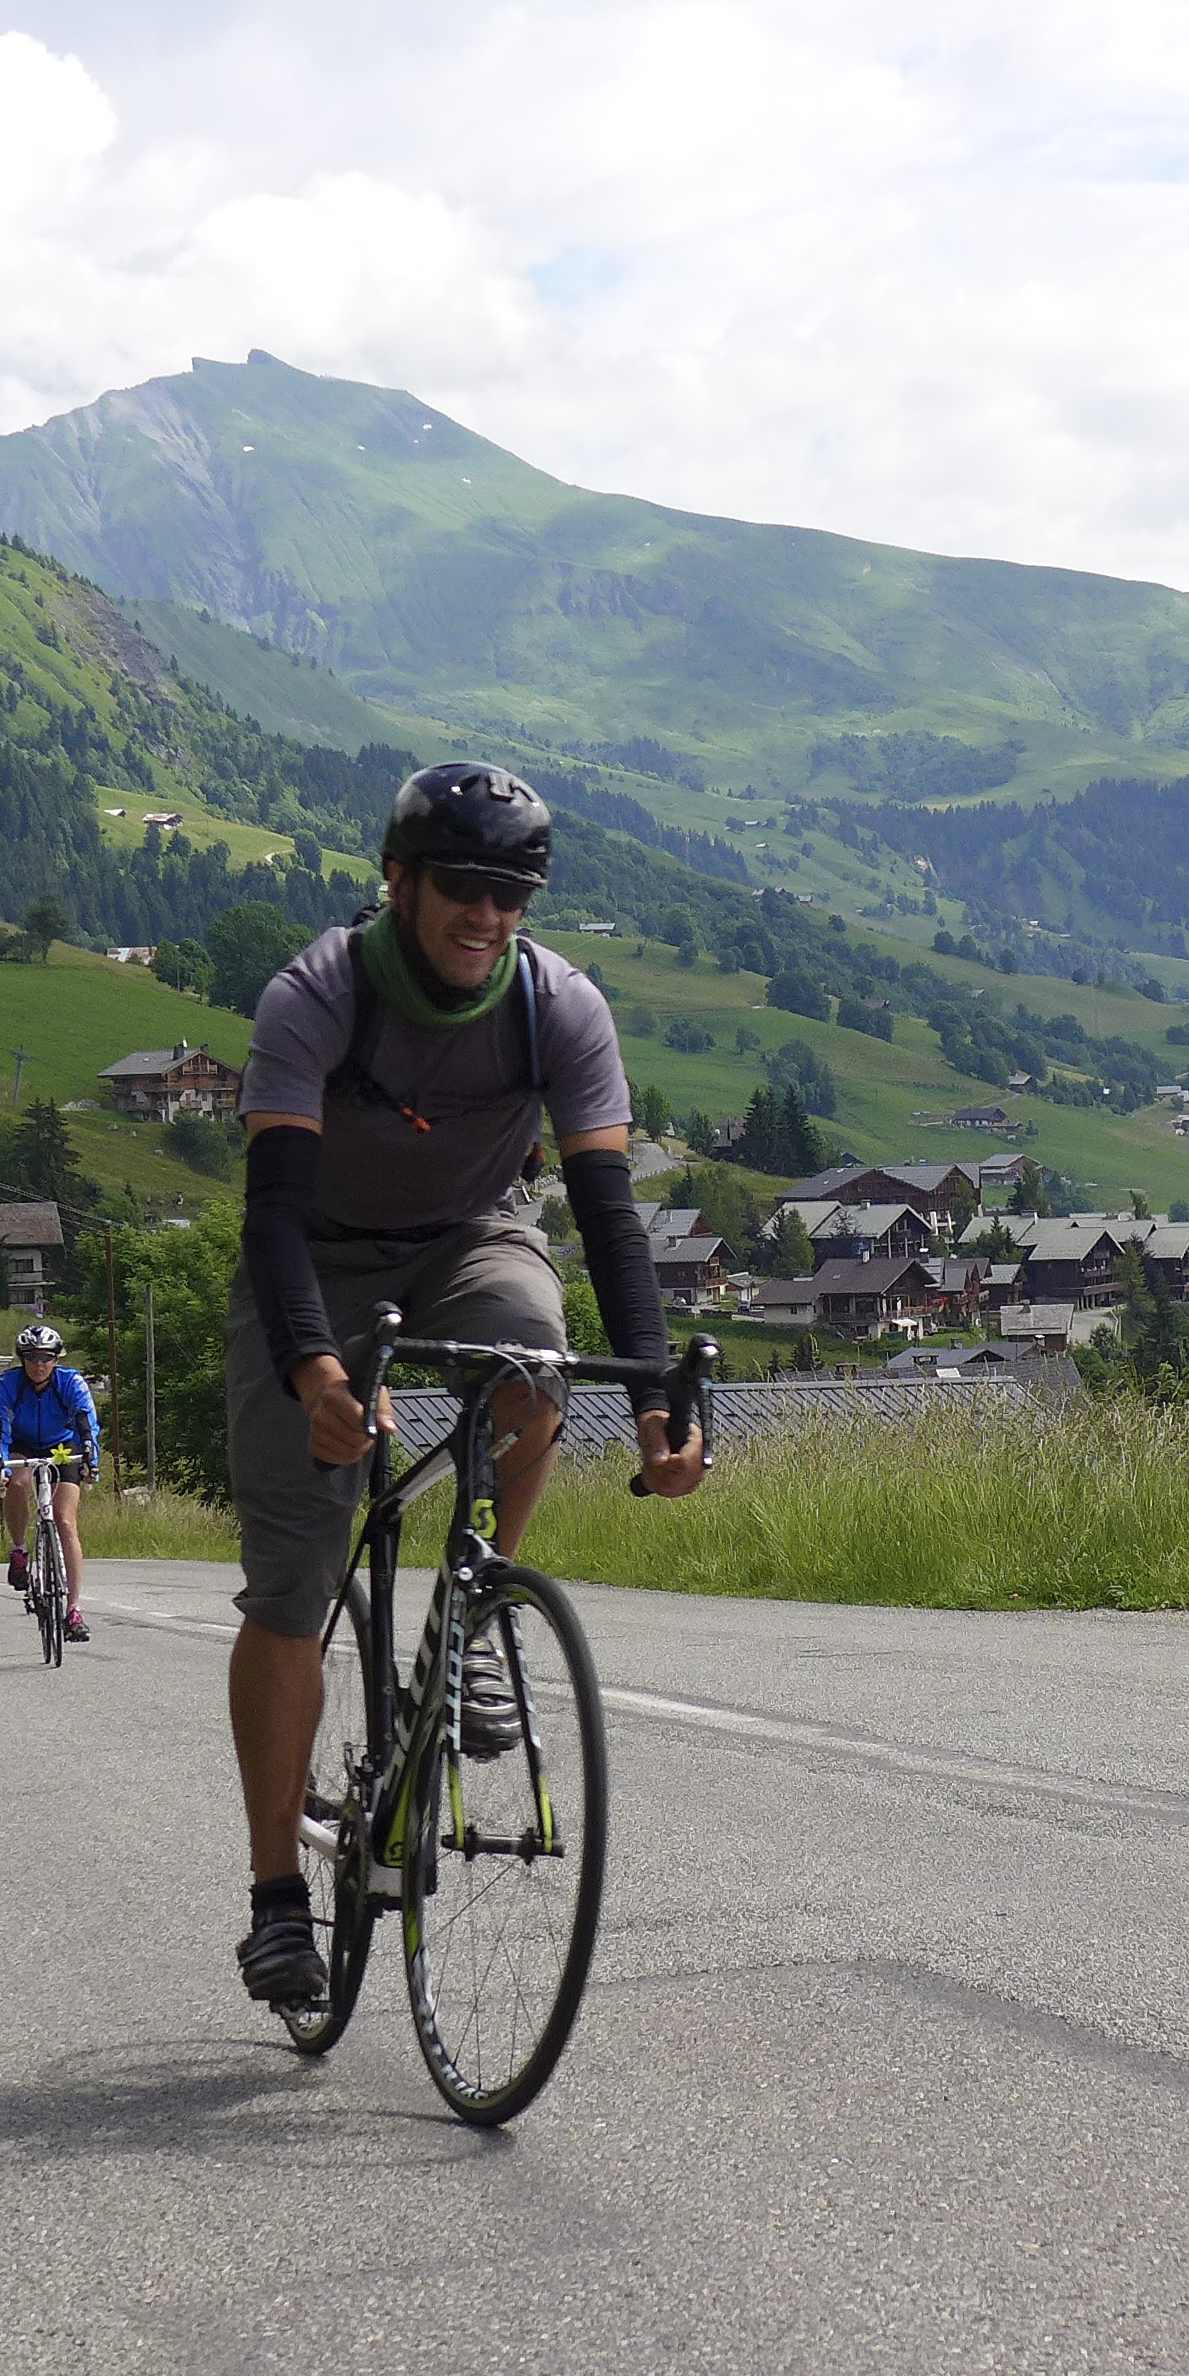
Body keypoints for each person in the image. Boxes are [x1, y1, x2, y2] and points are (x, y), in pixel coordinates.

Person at [225, 762, 705, 2012]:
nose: (485, 915)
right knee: (292, 1581)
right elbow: (269, 1215)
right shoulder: (314, 998)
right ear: (398, 881)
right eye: (461, 887)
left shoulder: (561, 1010)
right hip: (314, 1261)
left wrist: (657, 1396)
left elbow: (607, 1220)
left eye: (512, 892)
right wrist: (312, 1368)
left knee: (534, 1357)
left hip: (467, 1238)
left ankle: (472, 1610)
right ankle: (280, 1897)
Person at [0, 1322, 100, 1642]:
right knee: (19, 1484)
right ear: (22, 1359)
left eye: (47, 1357)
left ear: (56, 1359)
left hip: (63, 1448)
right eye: (32, 1357)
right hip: (21, 1445)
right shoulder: (9, 1384)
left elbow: (86, 1423)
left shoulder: (70, 1382)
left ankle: (74, 1609)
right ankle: (20, 1550)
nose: (39, 1364)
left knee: (64, 1520)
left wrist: (91, 1461)